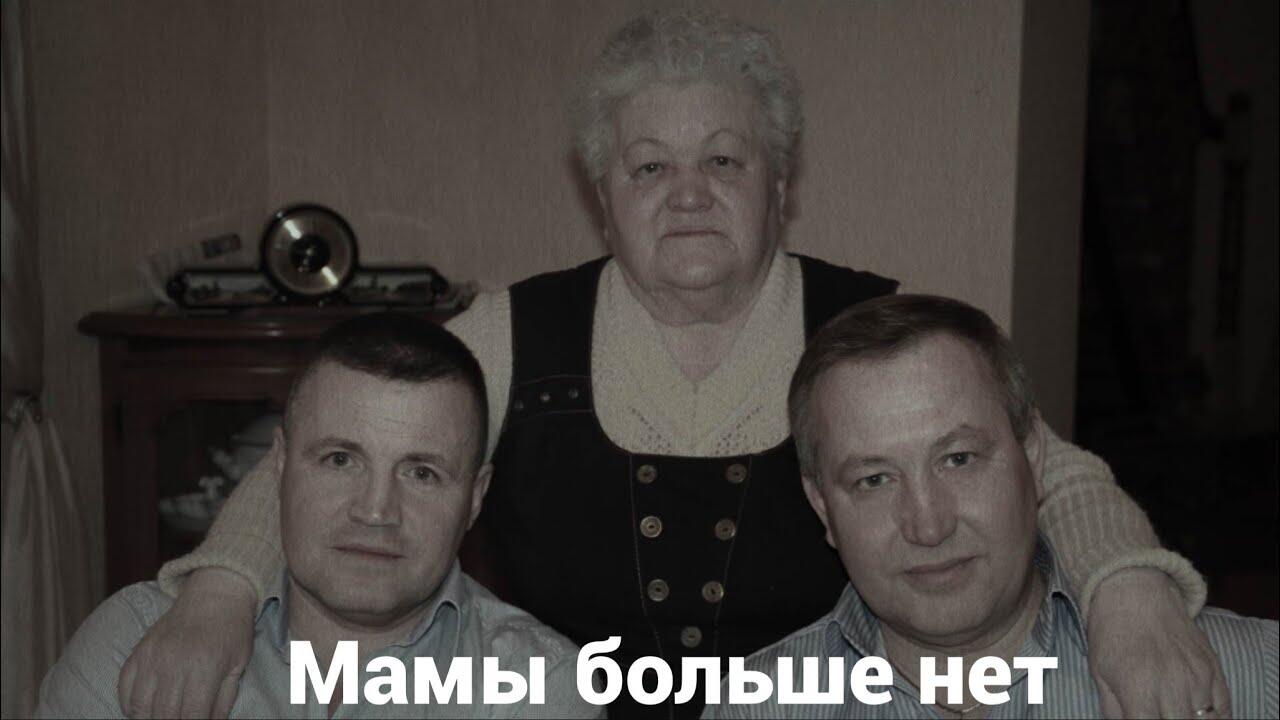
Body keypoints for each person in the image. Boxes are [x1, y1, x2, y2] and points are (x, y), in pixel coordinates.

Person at [120, 9, 1226, 719]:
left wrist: (1128, 594)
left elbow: (1053, 477)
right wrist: (215, 599)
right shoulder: (508, 331)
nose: (687, 195)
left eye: (724, 161)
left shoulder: (876, 330)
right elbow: (316, 456)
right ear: (602, 194)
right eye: (649, 167)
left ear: (779, 187)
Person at [702, 295, 1278, 719]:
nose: (929, 525)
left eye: (959, 459)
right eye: (875, 479)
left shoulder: (1248, 679)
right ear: (823, 506)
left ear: (1033, 455)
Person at [38, 314, 596, 718]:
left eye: (421, 473)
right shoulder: (132, 645)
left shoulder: (539, 689)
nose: (376, 510)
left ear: (475, 497)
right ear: (279, 466)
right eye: (340, 460)